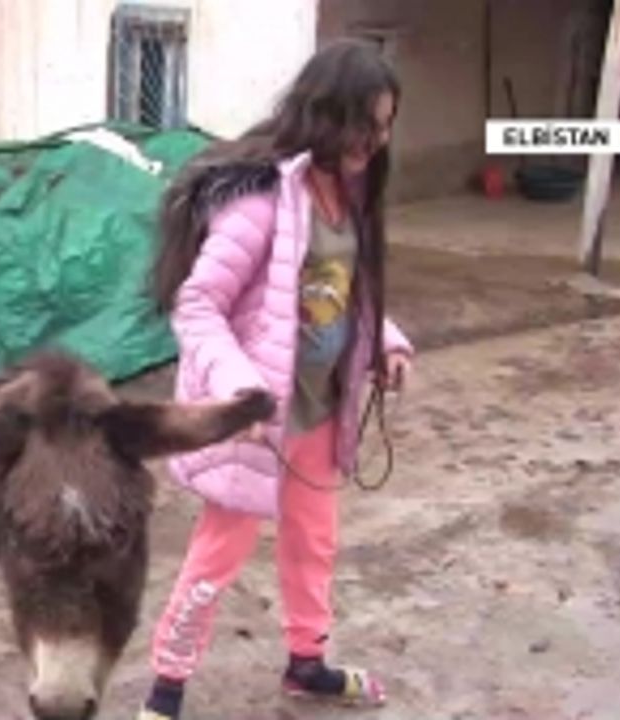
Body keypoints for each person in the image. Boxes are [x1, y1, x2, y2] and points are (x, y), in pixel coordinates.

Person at [137, 39, 414, 719]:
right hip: (259, 423)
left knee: (314, 544)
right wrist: (240, 391)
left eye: (384, 127)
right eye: (366, 123)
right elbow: (197, 305)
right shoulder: (264, 200)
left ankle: (306, 664)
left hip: (320, 411)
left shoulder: (351, 194)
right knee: (216, 557)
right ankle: (165, 692)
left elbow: (348, 291)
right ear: (327, 113)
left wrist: (385, 342)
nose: (375, 141)